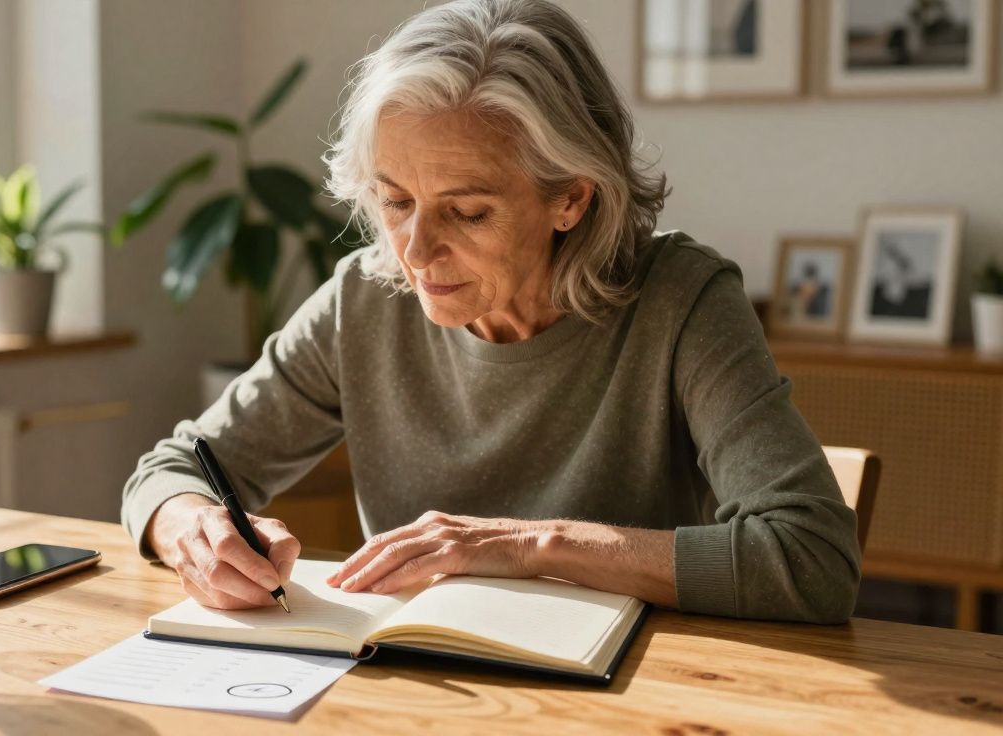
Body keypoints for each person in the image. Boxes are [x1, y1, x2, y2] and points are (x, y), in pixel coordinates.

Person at [123, 0, 860, 624]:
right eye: (395, 200)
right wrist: (194, 529)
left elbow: (812, 556)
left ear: (571, 197)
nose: (416, 250)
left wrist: (527, 545)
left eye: (467, 211)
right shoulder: (365, 299)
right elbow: (174, 469)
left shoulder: (681, 300)